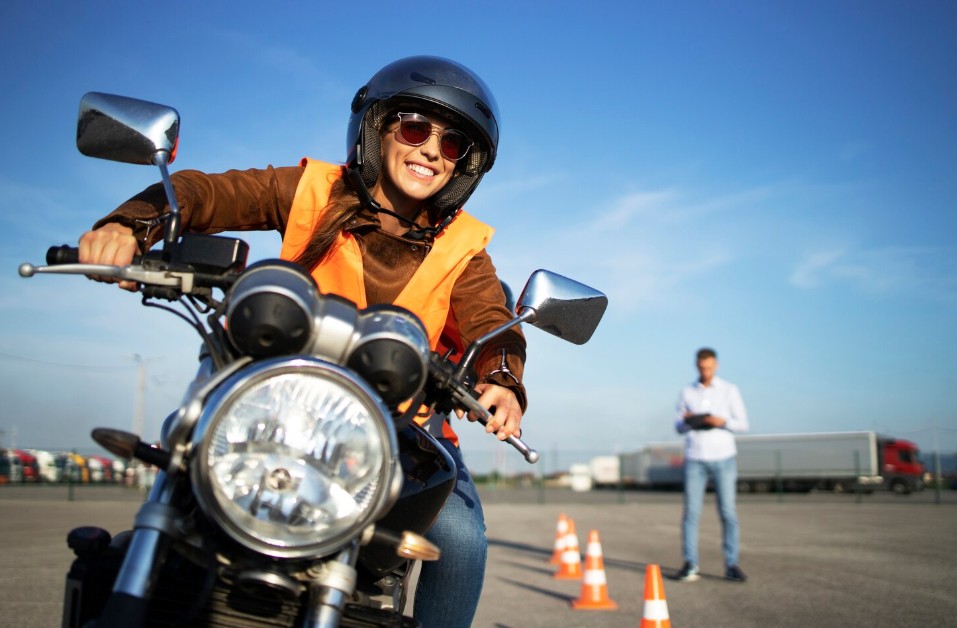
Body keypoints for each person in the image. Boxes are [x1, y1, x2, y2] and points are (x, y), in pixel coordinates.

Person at [77, 55, 526, 627]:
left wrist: (503, 379)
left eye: (454, 143)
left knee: (461, 540)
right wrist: (131, 223)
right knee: (184, 465)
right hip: (275, 408)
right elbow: (207, 193)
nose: (431, 150)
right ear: (379, 128)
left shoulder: (466, 248)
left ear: (466, 164)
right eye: (415, 128)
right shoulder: (314, 190)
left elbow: (492, 320)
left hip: (395, 436)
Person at [674, 347, 749, 583]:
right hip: (695, 458)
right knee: (691, 513)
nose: (704, 371)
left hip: (723, 457)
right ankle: (690, 563)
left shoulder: (729, 390)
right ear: (696, 366)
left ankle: (731, 564)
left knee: (728, 512)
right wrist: (690, 421)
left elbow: (743, 424)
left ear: (715, 365)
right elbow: (678, 426)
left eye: (708, 367)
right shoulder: (687, 391)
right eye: (701, 367)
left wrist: (720, 421)